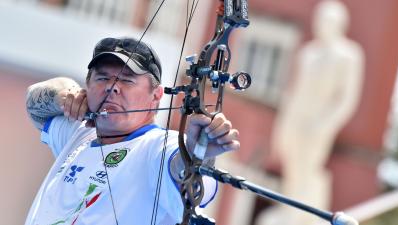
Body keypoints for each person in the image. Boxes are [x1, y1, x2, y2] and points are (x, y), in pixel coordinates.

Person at [24, 37, 240, 225]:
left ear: (156, 95)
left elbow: (182, 167)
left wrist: (199, 149)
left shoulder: (158, 146)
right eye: (102, 78)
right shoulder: (80, 133)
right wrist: (65, 96)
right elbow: (34, 102)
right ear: (87, 86)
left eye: (127, 80)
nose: (112, 86)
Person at [257, 1, 364, 225]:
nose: (321, 24)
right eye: (319, 18)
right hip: (296, 119)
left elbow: (347, 99)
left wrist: (325, 123)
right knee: (292, 170)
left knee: (310, 169)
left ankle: (306, 215)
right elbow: (294, 92)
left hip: (318, 123)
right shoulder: (309, 53)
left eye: (326, 19)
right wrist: (282, 125)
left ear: (338, 23)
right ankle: (290, 211)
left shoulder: (349, 55)